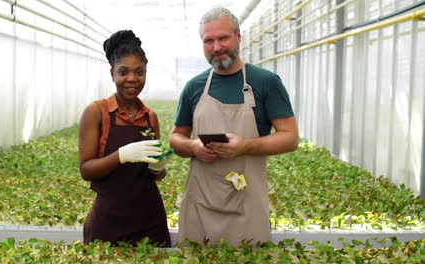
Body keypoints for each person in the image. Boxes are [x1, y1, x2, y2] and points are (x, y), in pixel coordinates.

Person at [169, 7, 299, 247]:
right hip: (200, 204)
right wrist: (193, 146)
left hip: (247, 206)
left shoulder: (266, 82)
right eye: (209, 40)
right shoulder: (194, 87)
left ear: (238, 37)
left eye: (223, 38)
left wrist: (245, 145)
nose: (216, 47)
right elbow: (176, 138)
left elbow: (290, 138)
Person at [78, 30, 171, 247]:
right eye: (123, 72)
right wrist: (121, 155)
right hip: (109, 220)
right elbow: (86, 170)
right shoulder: (96, 112)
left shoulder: (150, 117)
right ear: (112, 74)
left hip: (150, 219)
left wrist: (158, 168)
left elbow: (153, 177)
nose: (132, 79)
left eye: (139, 72)